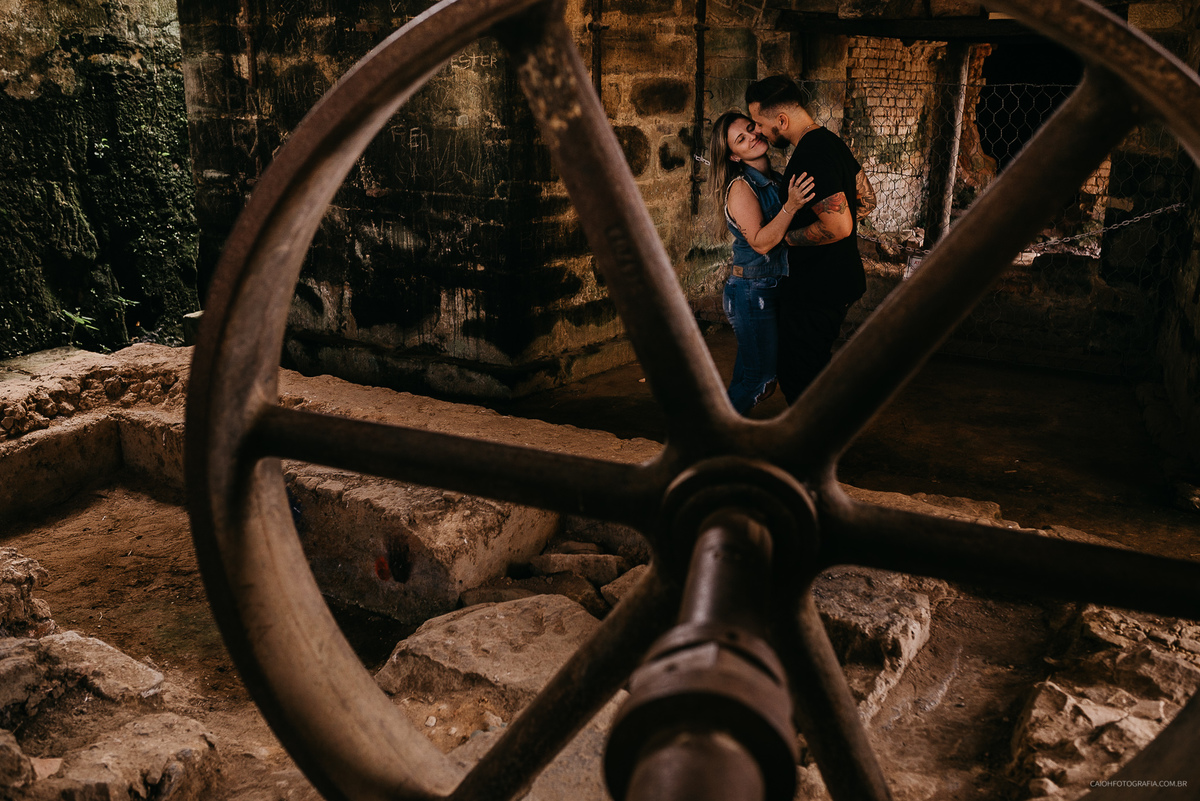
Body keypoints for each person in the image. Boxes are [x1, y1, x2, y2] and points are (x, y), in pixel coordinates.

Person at [745, 75, 877, 404]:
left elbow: (839, 227)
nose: (758, 131)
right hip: (836, 279)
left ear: (782, 120)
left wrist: (787, 239)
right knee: (810, 368)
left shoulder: (810, 156)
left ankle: (813, 444)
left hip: (820, 286)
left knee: (800, 376)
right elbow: (868, 199)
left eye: (760, 124)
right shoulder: (829, 142)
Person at [707, 111, 815, 415]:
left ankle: (715, 429)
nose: (753, 137)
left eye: (752, 129)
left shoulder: (775, 179)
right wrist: (792, 206)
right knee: (760, 380)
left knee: (752, 379)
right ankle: (714, 444)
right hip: (752, 291)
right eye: (742, 139)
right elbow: (760, 241)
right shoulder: (741, 187)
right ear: (734, 155)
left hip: (769, 286)